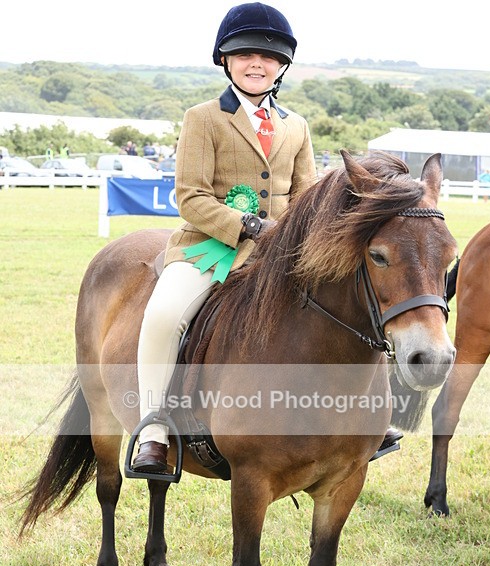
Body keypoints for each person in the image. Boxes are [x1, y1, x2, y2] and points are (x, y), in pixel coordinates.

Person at [132, 1, 401, 473]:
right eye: (244, 54)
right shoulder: (203, 118)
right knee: (164, 315)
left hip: (280, 253)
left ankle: (364, 418)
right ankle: (154, 427)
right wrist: (250, 226)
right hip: (207, 246)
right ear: (225, 61)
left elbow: (307, 195)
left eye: (268, 56)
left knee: (353, 303)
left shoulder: (296, 126)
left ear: (282, 67)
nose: (257, 63)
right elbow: (189, 196)